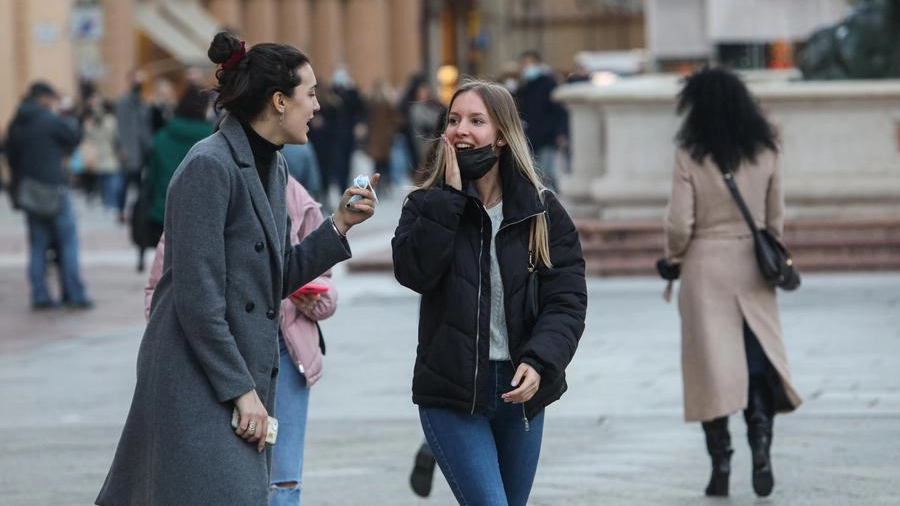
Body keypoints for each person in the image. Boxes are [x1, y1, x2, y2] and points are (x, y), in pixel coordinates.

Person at [95, 31, 378, 506]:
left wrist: (339, 224)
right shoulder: (209, 166)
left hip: (233, 369)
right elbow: (198, 297)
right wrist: (242, 390)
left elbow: (272, 277)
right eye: (310, 94)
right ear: (279, 101)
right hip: (195, 373)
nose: (318, 107)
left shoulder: (272, 166)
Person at [391, 79, 587, 506]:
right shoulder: (426, 205)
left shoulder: (541, 209)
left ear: (500, 134)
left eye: (476, 121)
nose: (461, 129)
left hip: (520, 393)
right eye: (454, 120)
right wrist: (448, 197)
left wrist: (540, 361)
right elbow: (414, 274)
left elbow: (566, 299)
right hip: (452, 391)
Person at [143, 176, 336, 506]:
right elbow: (161, 293)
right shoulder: (207, 183)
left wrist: (313, 299)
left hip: (286, 355)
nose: (311, 119)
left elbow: (326, 287)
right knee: (225, 479)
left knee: (284, 478)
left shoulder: (294, 194)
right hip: (221, 360)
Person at [660, 67, 803, 498]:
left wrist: (673, 257)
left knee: (710, 370)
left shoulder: (690, 152)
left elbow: (679, 222)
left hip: (704, 266)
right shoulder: (767, 149)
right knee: (756, 360)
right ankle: (760, 442)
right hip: (753, 264)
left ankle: (720, 464)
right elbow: (774, 219)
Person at [5, 81, 94, 310]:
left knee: (37, 245)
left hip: (29, 192)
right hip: (54, 188)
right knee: (68, 243)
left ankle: (40, 295)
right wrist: (64, 114)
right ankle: (74, 294)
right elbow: (74, 137)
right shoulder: (49, 119)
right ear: (44, 98)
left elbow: (9, 155)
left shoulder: (16, 122)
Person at [144, 85, 214, 251]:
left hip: (164, 210)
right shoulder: (213, 138)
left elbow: (151, 176)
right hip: (203, 213)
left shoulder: (162, 136)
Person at [515, 50, 567, 190]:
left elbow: (559, 111)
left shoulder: (549, 84)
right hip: (530, 138)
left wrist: (560, 132)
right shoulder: (525, 86)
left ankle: (550, 205)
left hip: (547, 137)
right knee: (535, 174)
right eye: (524, 64)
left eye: (530, 63)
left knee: (545, 174)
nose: (527, 67)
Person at [114, 69, 153, 223]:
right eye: (136, 78)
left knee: (138, 184)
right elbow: (120, 126)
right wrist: (122, 146)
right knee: (124, 183)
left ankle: (136, 211)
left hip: (142, 150)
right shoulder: (123, 102)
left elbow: (146, 126)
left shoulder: (143, 102)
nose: (139, 81)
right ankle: (121, 211)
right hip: (129, 150)